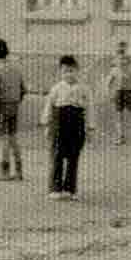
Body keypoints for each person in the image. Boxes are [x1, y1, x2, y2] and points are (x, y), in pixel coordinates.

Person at [42, 54, 91, 198]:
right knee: (57, 155)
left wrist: (90, 127)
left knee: (73, 156)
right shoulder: (56, 88)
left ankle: (70, 189)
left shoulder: (84, 89)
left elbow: (89, 108)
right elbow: (48, 107)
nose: (69, 74)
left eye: (72, 71)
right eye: (65, 71)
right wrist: (46, 124)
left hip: (76, 122)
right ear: (60, 73)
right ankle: (55, 189)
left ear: (78, 71)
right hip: (59, 123)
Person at [0, 39, 27, 180]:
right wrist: (15, 100)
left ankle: (5, 171)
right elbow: (23, 89)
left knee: (3, 139)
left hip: (1, 106)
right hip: (14, 105)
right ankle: (19, 170)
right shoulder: (16, 68)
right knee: (13, 137)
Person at [102, 40, 131, 144]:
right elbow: (107, 83)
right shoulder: (114, 70)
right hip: (118, 93)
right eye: (120, 57)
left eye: (125, 58)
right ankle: (120, 137)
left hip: (129, 93)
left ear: (128, 59)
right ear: (116, 60)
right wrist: (107, 92)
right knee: (118, 116)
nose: (122, 60)